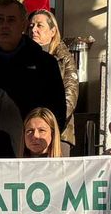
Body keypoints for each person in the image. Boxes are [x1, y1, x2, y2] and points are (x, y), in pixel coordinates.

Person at [0, 0, 67, 158]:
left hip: (26, 158)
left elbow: (56, 113)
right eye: (0, 19)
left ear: (23, 24)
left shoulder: (44, 64)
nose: (5, 25)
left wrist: (41, 151)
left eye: (11, 20)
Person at [28, 9, 78, 148]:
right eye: (31, 26)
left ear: (52, 31)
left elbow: (70, 94)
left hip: (59, 132)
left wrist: (51, 126)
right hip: (29, 133)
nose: (34, 30)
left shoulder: (64, 58)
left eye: (40, 25)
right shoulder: (23, 58)